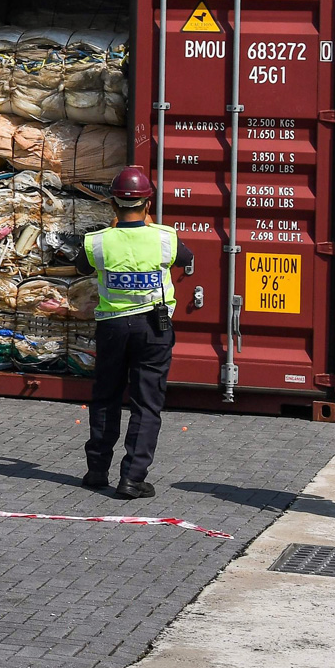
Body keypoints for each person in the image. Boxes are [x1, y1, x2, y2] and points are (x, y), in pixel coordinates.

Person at [81, 166, 192, 500]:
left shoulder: (97, 242)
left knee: (105, 397)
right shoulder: (164, 238)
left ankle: (97, 470)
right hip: (152, 328)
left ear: (112, 205)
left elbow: (80, 267)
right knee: (146, 403)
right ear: (147, 204)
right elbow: (186, 257)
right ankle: (132, 478)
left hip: (112, 329)